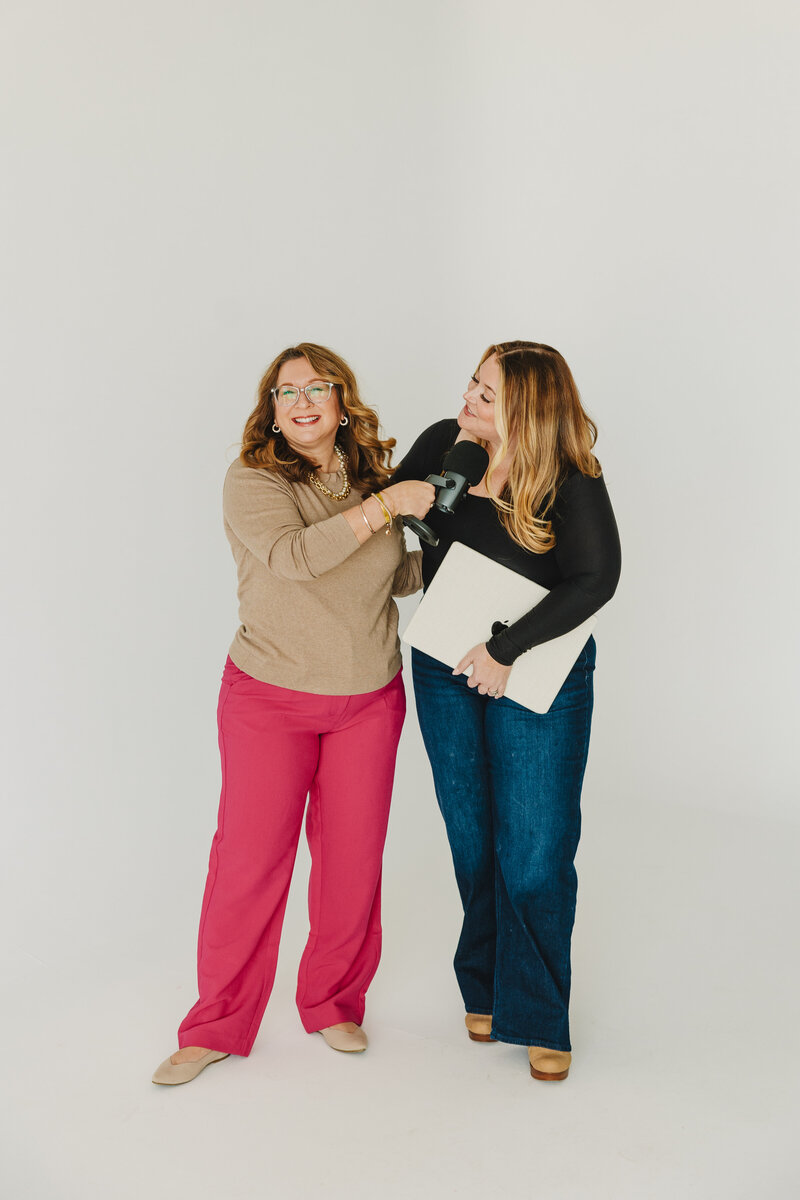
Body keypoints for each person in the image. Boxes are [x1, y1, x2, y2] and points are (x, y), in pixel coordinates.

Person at [152, 343, 435, 1085]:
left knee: (350, 862)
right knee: (249, 864)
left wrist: (449, 537)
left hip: (368, 699)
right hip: (269, 699)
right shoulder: (250, 481)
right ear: (271, 411)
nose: (302, 400)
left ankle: (333, 1001)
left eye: (319, 387)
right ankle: (217, 1023)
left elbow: (393, 575)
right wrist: (387, 508)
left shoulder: (374, 478)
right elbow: (296, 558)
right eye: (286, 392)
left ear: (344, 403)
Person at [392, 341, 621, 1082]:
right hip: (442, 667)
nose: (469, 400)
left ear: (527, 410)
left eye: (487, 395)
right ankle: (485, 984)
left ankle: (539, 1013)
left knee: (535, 849)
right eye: (471, 384)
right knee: (472, 834)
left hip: (533, 670)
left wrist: (506, 649)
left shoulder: (568, 472)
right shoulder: (442, 442)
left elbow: (596, 578)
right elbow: (396, 519)